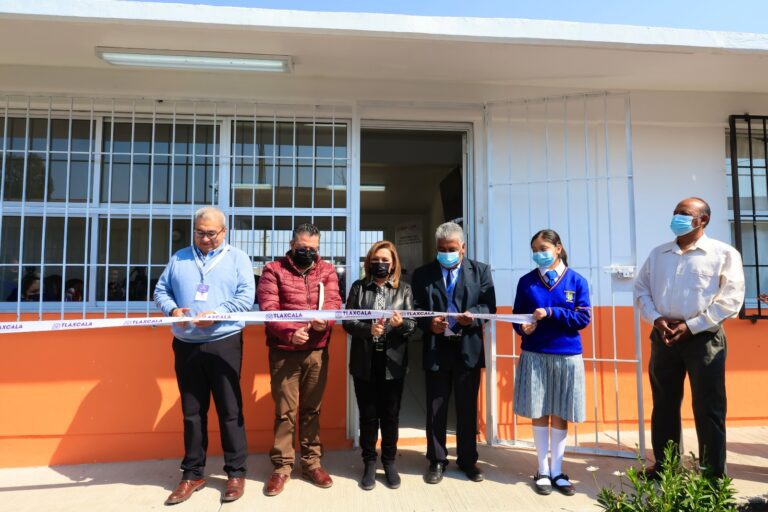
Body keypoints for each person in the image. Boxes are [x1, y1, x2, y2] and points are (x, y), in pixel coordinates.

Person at [634, 197, 745, 479]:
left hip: (704, 340)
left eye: (684, 214)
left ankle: (711, 476)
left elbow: (731, 300)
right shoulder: (659, 254)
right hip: (664, 338)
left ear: (702, 220)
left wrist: (692, 326)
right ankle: (665, 468)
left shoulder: (723, 253)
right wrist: (656, 318)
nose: (676, 218)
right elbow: (641, 290)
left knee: (708, 408)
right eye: (675, 213)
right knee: (664, 405)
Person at [153, 206, 255, 505]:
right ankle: (192, 473)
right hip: (186, 343)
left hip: (224, 341)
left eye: (211, 233)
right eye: (200, 232)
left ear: (224, 232)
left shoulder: (237, 258)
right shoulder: (179, 257)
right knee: (192, 412)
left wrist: (219, 315)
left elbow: (246, 297)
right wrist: (173, 310)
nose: (206, 238)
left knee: (230, 410)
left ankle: (236, 473)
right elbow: (161, 290)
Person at [257, 223, 342, 496]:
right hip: (284, 351)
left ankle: (312, 463)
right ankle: (282, 467)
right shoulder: (274, 269)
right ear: (292, 244)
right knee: (285, 412)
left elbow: (333, 303)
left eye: (314, 249)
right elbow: (268, 308)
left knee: (312, 409)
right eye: (303, 248)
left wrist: (323, 323)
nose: (309, 253)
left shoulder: (326, 270)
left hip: (317, 350)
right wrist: (290, 332)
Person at [412, 222, 496, 484]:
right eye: (441, 249)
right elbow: (415, 308)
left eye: (451, 249)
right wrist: (429, 323)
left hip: (467, 348)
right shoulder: (423, 273)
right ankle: (437, 460)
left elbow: (488, 306)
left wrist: (474, 317)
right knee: (436, 408)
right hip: (437, 348)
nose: (445, 253)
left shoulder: (480, 270)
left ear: (462, 248)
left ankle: (468, 460)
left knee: (467, 408)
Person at [512, 229, 590, 496]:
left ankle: (558, 470)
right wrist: (524, 329)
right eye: (534, 250)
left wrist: (551, 312)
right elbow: (517, 318)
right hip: (535, 354)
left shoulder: (577, 281)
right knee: (539, 411)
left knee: (560, 412)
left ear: (558, 248)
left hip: (567, 356)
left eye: (543, 248)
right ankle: (542, 470)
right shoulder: (526, 282)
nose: (538, 254)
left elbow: (583, 319)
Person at [343, 241, 416, 490]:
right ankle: (369, 462)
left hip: (393, 363)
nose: (381, 264)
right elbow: (348, 322)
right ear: (369, 262)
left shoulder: (404, 290)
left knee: (391, 416)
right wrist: (367, 329)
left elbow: (413, 325)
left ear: (394, 262)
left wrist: (400, 325)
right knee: (368, 416)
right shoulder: (359, 287)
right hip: (365, 362)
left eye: (386, 260)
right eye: (376, 259)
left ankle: (390, 461)